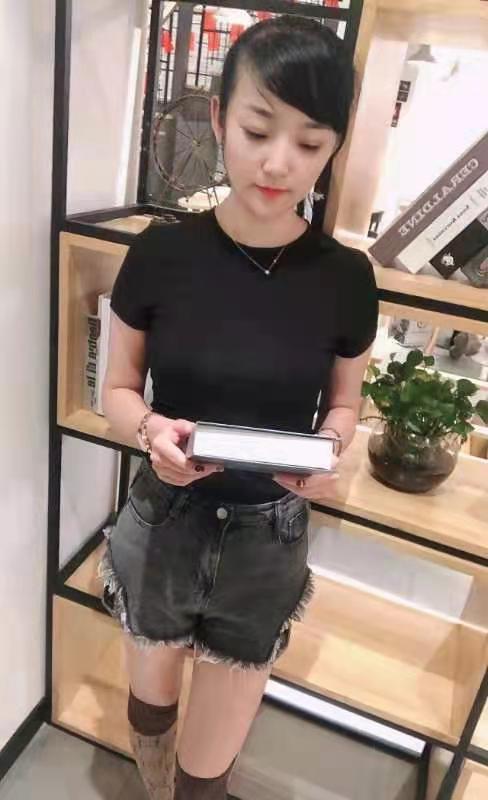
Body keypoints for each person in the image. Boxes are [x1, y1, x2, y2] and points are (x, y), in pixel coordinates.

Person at [100, 14, 379, 800]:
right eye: (258, 130)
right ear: (220, 118)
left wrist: (329, 452)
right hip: (163, 522)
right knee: (151, 710)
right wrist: (150, 430)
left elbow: (345, 406)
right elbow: (116, 390)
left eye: (310, 142)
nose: (278, 162)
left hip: (268, 538)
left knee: (208, 772)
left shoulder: (346, 278)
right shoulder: (160, 253)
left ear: (333, 147)